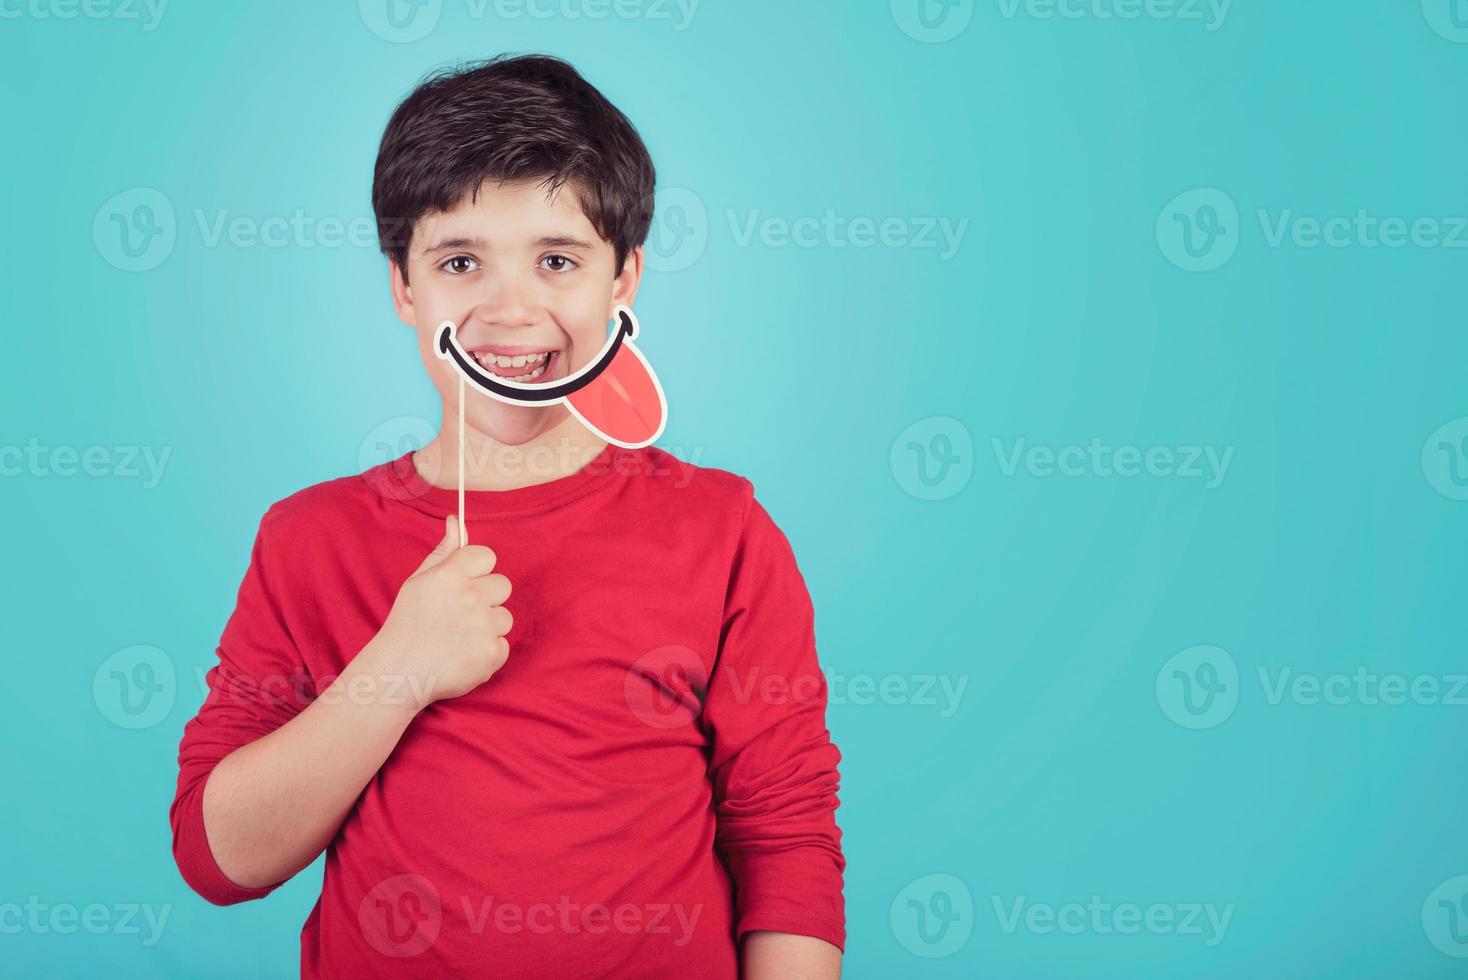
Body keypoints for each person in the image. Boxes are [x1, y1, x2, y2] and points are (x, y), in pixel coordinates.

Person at [169, 53, 845, 979]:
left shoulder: (723, 530)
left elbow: (785, 838)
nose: (511, 309)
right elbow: (221, 860)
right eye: (459, 261)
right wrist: (397, 670)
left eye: (558, 260)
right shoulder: (308, 540)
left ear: (625, 280)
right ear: (404, 287)